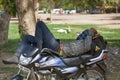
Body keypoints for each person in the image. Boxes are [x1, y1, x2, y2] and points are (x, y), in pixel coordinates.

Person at [3, 21, 100, 64]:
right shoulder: (84, 40)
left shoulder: (89, 43)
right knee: (26, 37)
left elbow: (87, 46)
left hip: (57, 48)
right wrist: (89, 33)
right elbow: (81, 37)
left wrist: (91, 33)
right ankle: (16, 56)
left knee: (40, 24)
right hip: (58, 45)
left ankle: (38, 49)